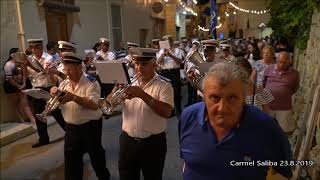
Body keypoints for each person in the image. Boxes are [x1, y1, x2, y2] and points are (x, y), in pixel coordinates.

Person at [179, 61, 293, 180]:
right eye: (214, 97)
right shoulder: (188, 117)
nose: (222, 107)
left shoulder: (267, 127)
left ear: (244, 98)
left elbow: (283, 174)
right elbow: (187, 162)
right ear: (203, 96)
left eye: (232, 98)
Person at [113, 48, 174, 180]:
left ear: (154, 64)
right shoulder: (128, 83)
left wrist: (142, 95)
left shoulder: (164, 85)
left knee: (153, 176)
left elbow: (167, 112)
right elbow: (108, 105)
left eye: (144, 64)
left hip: (153, 144)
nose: (139, 68)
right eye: (136, 64)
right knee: (126, 176)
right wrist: (114, 95)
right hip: (127, 141)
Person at [50, 52, 110, 180]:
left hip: (90, 127)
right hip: (71, 128)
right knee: (71, 162)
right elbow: (60, 103)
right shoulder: (65, 83)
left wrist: (72, 97)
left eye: (70, 69)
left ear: (79, 67)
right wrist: (54, 95)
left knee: (96, 157)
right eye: (65, 70)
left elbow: (94, 105)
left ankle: (103, 177)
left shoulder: (91, 82)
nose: (67, 73)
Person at [26, 39, 65, 148]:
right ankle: (43, 139)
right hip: (36, 89)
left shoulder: (48, 58)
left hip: (48, 88)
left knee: (56, 112)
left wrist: (50, 73)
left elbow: (53, 77)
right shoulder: (30, 59)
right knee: (39, 115)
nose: (34, 50)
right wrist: (24, 64)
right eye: (32, 48)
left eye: (37, 47)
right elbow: (26, 75)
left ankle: (69, 132)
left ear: (41, 47)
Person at [263, 51, 299, 134]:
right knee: (267, 131)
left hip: (284, 108)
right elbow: (263, 84)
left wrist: (283, 94)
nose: (282, 64)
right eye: (280, 62)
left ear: (289, 62)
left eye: (284, 62)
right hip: (268, 107)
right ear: (276, 60)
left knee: (283, 133)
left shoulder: (295, 74)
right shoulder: (269, 69)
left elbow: (295, 88)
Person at [3, 48, 36, 124]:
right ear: (12, 55)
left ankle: (32, 119)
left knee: (25, 102)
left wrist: (24, 83)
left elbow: (24, 74)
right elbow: (10, 78)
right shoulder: (8, 64)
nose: (20, 54)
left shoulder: (20, 62)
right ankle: (21, 119)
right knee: (15, 104)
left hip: (20, 84)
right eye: (18, 53)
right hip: (11, 85)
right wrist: (18, 86)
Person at [157, 35, 183, 116]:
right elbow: (158, 62)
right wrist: (164, 54)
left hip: (174, 72)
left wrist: (171, 55)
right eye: (165, 41)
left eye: (169, 41)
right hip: (165, 72)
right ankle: (170, 111)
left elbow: (180, 62)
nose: (167, 43)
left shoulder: (178, 50)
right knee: (167, 92)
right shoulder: (161, 51)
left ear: (171, 42)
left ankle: (178, 110)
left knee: (176, 92)